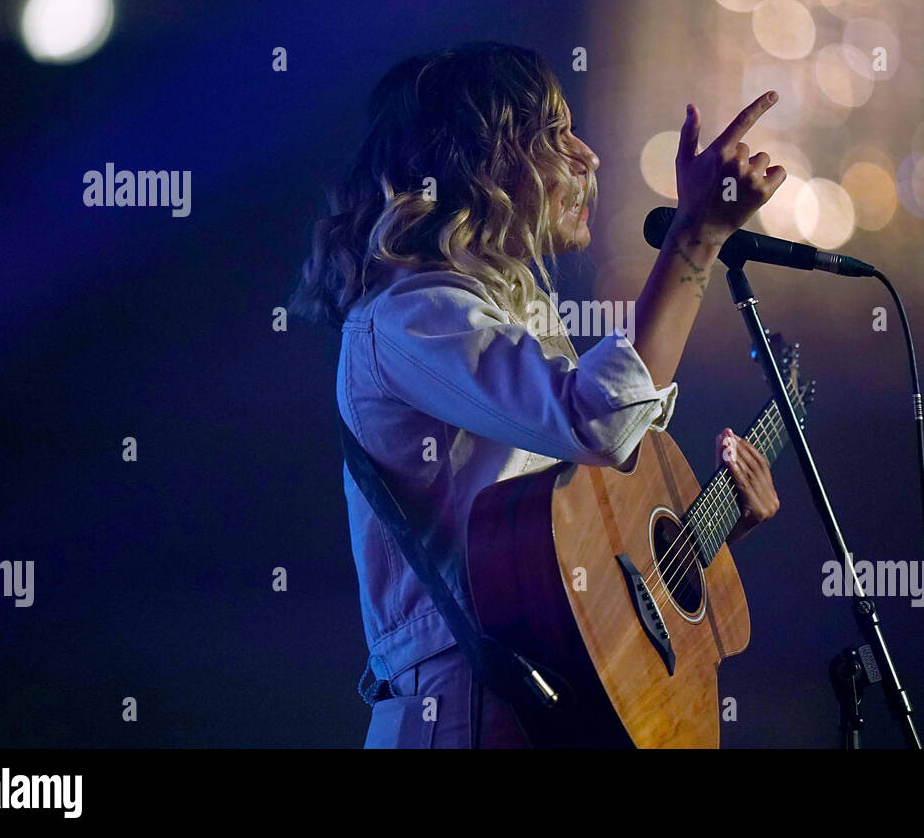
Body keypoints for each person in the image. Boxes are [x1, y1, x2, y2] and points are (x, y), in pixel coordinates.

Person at [290, 41, 785, 748]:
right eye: (555, 135)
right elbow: (597, 420)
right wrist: (696, 235)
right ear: (480, 162)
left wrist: (707, 532)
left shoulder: (514, 315)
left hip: (541, 705)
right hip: (460, 711)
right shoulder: (409, 318)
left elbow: (564, 553)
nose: (589, 156)